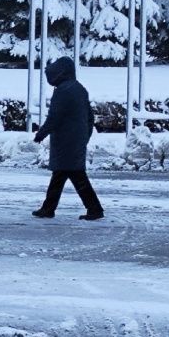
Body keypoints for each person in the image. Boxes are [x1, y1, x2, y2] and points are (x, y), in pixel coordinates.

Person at [31, 56, 104, 220]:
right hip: (76, 140)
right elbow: (90, 117)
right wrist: (85, 136)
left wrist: (41, 134)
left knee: (76, 176)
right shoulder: (79, 88)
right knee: (61, 175)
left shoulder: (63, 91)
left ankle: (94, 209)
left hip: (66, 141)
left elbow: (54, 117)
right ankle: (48, 208)